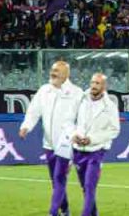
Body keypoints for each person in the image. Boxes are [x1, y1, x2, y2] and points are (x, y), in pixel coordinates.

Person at [20, 60, 83, 216]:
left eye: (57, 71)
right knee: (55, 181)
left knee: (59, 179)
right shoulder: (44, 90)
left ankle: (54, 212)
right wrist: (26, 126)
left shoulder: (76, 93)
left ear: (66, 74)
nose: (53, 73)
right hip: (48, 144)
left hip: (66, 144)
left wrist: (78, 137)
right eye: (52, 70)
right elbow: (34, 110)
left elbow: (83, 119)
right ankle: (65, 208)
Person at [72, 73, 120, 216]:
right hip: (78, 150)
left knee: (90, 186)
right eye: (92, 82)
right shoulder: (80, 99)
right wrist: (73, 134)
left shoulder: (110, 106)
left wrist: (92, 139)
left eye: (97, 83)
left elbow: (114, 130)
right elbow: (69, 120)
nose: (93, 86)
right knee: (84, 187)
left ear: (104, 86)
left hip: (96, 151)